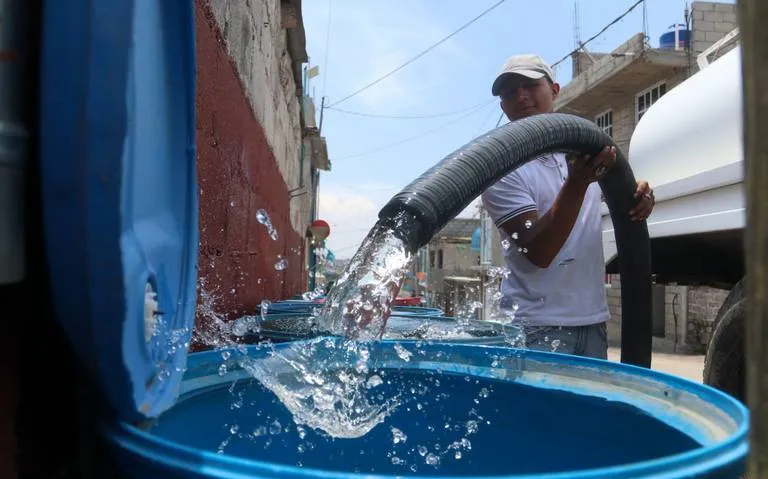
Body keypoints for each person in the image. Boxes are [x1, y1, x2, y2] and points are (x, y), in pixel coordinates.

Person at [481, 54, 655, 359]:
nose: (520, 96)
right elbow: (539, 250)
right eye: (510, 92)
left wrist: (638, 196)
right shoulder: (501, 169)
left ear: (555, 90)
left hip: (593, 322)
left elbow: (619, 199)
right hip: (534, 329)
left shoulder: (582, 153)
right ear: (502, 105)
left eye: (530, 85)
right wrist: (576, 184)